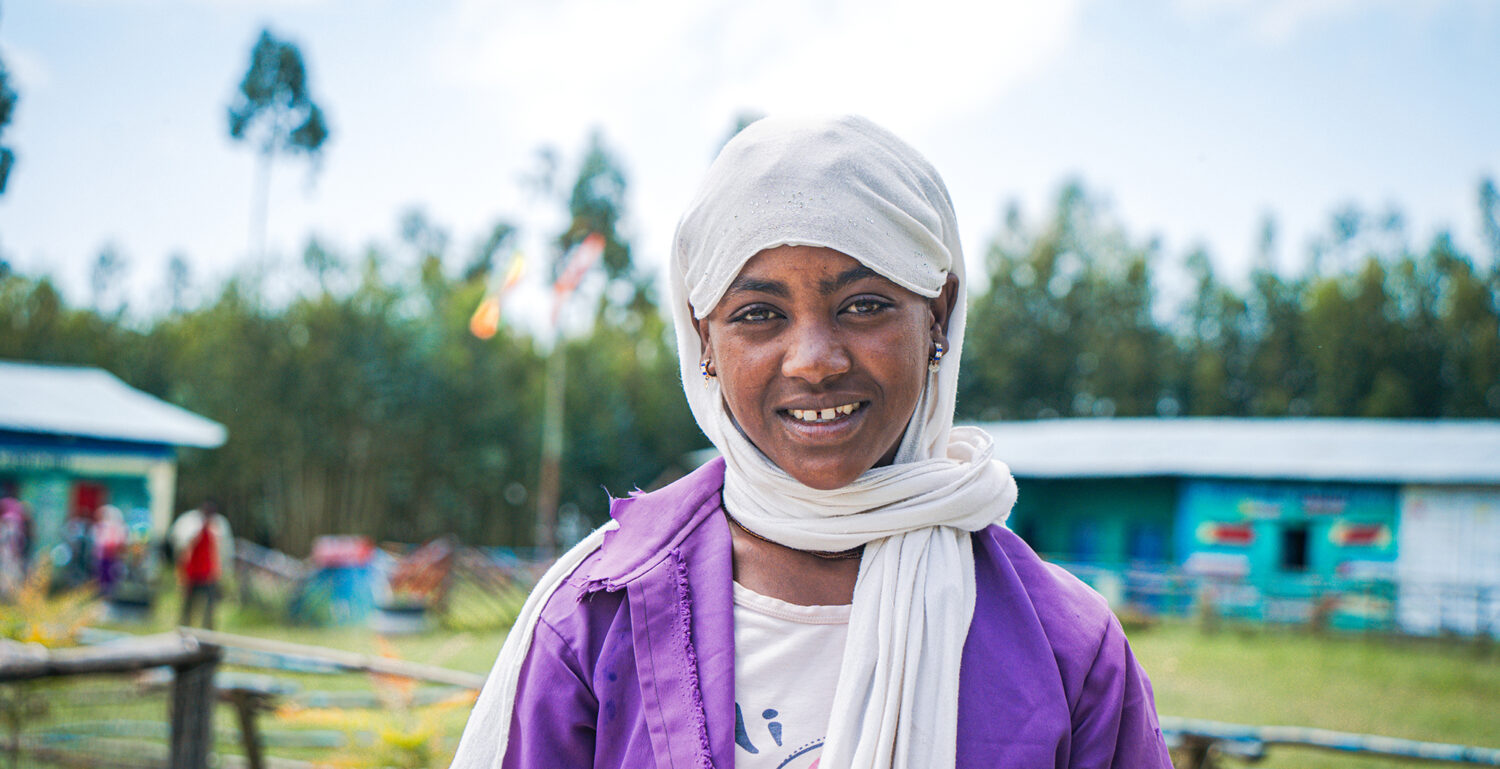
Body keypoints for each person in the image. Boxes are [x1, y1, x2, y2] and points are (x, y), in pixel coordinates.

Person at [453, 116, 1172, 768]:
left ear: (940, 316)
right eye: (759, 313)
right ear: (704, 339)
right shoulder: (596, 619)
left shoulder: (1067, 648)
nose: (814, 360)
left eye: (864, 305)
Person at [171, 500, 233, 629]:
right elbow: (185, 552)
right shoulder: (192, 526)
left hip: (207, 574)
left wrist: (218, 572)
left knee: (209, 609)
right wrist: (182, 573)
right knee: (188, 607)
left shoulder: (216, 529)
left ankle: (207, 635)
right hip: (192, 573)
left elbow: (217, 553)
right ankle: (183, 632)